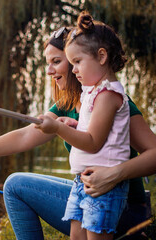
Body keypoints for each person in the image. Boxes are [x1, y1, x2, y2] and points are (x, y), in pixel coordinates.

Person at [0, 22, 156, 240]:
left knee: (15, 186)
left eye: (58, 61)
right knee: (16, 186)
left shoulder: (112, 100)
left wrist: (113, 174)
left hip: (122, 205)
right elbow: (25, 135)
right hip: (89, 190)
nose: (49, 71)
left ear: (90, 57)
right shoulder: (70, 104)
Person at [35, 11, 131, 240]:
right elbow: (94, 130)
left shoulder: (108, 94)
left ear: (101, 56)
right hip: (82, 181)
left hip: (104, 188)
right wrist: (74, 124)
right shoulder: (93, 91)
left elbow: (93, 142)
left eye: (77, 62)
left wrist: (59, 129)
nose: (73, 68)